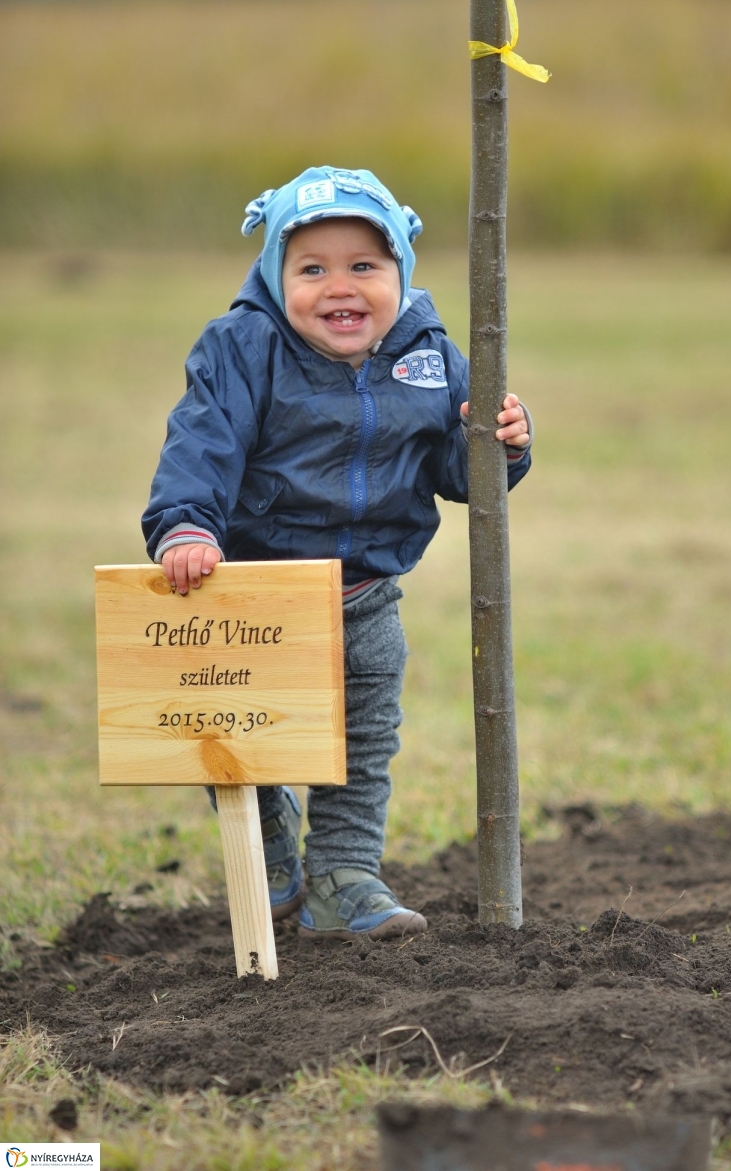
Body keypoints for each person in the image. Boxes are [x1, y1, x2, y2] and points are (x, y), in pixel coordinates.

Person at [142, 166, 532, 941]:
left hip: (367, 594)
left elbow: (458, 473)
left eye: (364, 266)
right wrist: (187, 527)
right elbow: (201, 446)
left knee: (363, 741)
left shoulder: (430, 351)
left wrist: (501, 446)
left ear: (401, 274)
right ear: (273, 275)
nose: (338, 287)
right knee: (235, 729)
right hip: (253, 591)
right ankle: (270, 846)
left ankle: (343, 875)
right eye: (311, 269)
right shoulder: (242, 347)